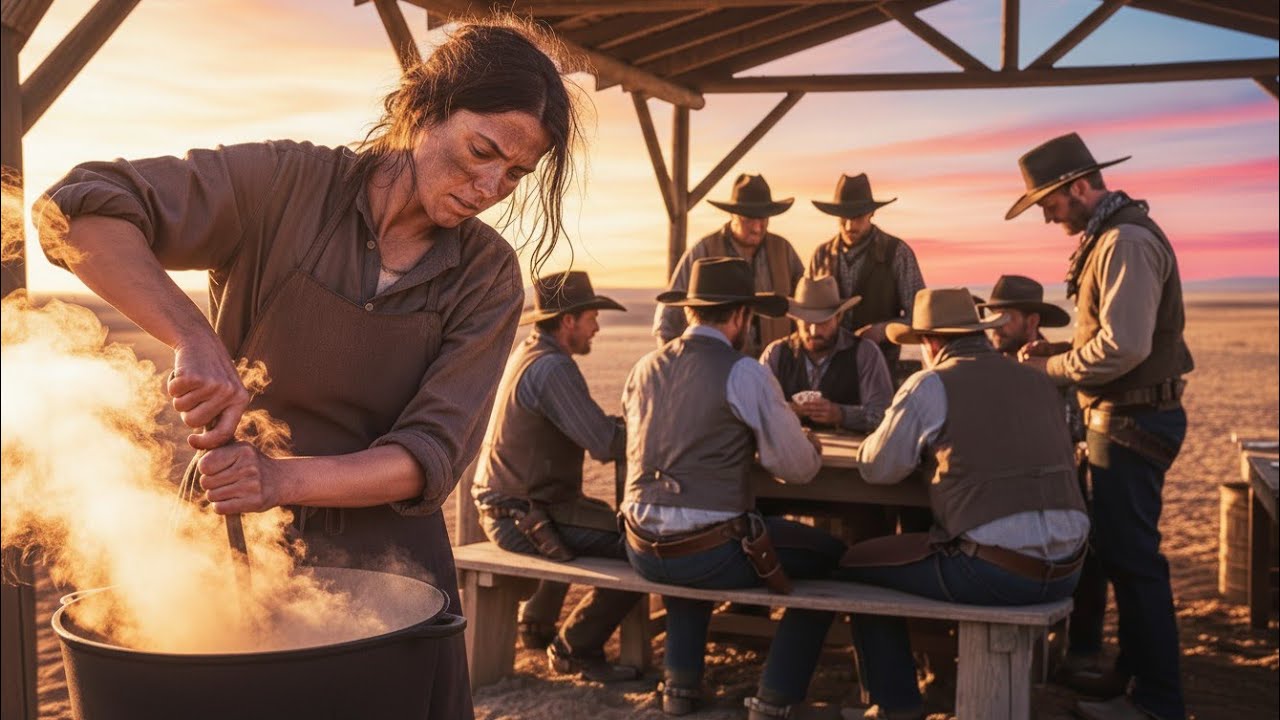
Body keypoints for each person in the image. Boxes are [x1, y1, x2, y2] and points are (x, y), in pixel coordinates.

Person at [36, 23, 583, 719]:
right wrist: (193, 336)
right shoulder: (285, 184)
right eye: (482, 152)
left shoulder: (487, 275)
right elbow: (76, 209)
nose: (489, 187)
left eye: (513, 174)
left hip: (394, 573)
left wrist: (281, 479)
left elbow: (429, 456)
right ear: (426, 107)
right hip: (230, 544)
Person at [1007, 133, 1195, 720]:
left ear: (1079, 186)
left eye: (1050, 203)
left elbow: (1123, 347)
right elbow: (1113, 339)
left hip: (1131, 419)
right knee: (1121, 555)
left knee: (1135, 562)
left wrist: (1050, 368)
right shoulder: (1116, 237)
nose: (1046, 216)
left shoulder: (1125, 243)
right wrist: (1064, 351)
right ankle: (1132, 681)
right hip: (1124, 417)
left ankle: (1158, 703)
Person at [837, 288, 1089, 720]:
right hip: (1068, 569)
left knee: (855, 568)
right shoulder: (1038, 378)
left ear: (931, 342)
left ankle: (897, 703)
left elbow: (878, 468)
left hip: (998, 573)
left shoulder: (931, 382)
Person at [621, 258, 845, 719]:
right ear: (742, 316)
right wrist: (810, 440)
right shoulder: (744, 372)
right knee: (834, 557)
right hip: (709, 554)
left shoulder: (644, 367)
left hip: (641, 548)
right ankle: (776, 695)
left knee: (684, 542)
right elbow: (796, 468)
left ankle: (680, 685)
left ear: (690, 313)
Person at [471, 269, 641, 682]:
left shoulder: (527, 354)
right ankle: (575, 647)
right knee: (644, 546)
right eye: (591, 318)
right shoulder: (554, 369)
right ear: (569, 322)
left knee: (593, 513)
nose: (597, 327)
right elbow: (602, 443)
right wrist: (650, 426)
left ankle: (537, 620)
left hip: (509, 510)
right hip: (524, 518)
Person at [978, 274, 1105, 688]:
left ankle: (1082, 649)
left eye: (1005, 317)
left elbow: (1074, 434)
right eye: (992, 316)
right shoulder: (985, 362)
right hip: (1001, 484)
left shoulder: (1059, 366)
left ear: (1031, 322)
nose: (995, 325)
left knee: (1089, 544)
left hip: (1057, 483)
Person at [653, 173, 805, 357]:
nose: (757, 227)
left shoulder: (784, 250)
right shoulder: (704, 250)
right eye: (748, 219)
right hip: (715, 368)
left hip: (774, 368)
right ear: (733, 214)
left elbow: (805, 306)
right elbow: (668, 321)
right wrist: (674, 367)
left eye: (763, 219)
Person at [807, 173, 925, 370]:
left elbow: (920, 315)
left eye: (857, 217)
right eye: (843, 218)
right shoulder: (821, 255)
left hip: (881, 365)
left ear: (871, 213)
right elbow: (808, 313)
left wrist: (884, 330)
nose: (849, 226)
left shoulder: (897, 253)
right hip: (829, 367)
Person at [760, 275, 893, 432]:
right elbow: (755, 408)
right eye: (808, 322)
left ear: (838, 317)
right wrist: (788, 410)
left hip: (851, 452)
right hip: (790, 452)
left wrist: (841, 415)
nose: (814, 331)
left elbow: (885, 417)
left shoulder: (865, 353)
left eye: (823, 322)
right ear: (797, 320)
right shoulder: (776, 353)